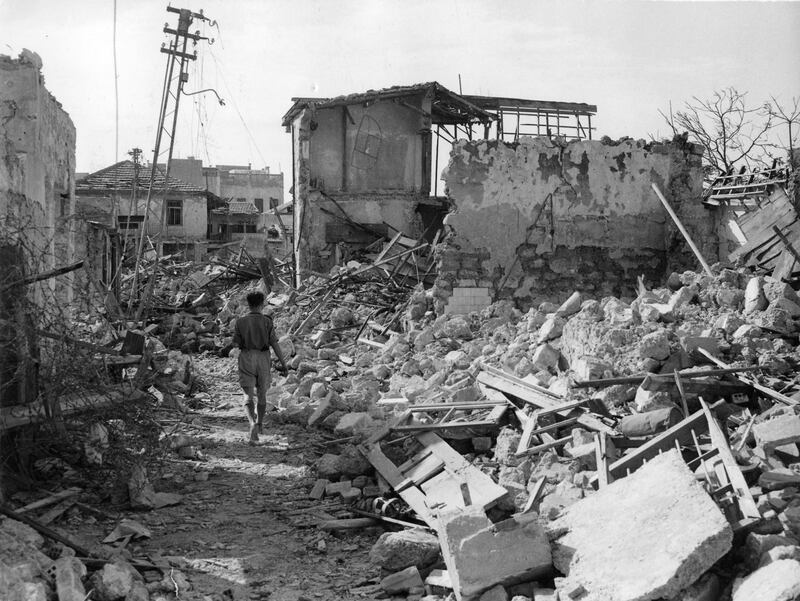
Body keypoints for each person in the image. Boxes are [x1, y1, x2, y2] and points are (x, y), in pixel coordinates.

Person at [232, 291, 288, 443]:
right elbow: (274, 343)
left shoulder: (240, 322)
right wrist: (283, 363)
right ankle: (260, 423)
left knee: (248, 395)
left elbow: (235, 343)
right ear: (262, 304)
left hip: (246, 356)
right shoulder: (267, 321)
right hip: (263, 358)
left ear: (248, 304)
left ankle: (251, 424)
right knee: (262, 394)